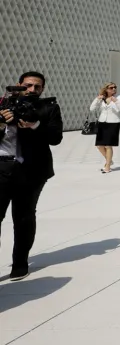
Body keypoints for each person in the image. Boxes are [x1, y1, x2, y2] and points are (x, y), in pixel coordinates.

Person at [0, 71, 62, 281]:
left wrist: (34, 125)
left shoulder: (48, 107)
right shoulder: (3, 105)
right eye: (28, 85)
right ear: (19, 85)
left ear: (42, 88)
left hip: (32, 171)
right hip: (2, 168)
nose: (32, 90)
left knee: (24, 217)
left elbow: (55, 137)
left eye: (37, 87)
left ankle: (20, 263)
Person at [90, 82, 120, 174]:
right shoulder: (102, 98)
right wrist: (97, 99)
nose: (113, 89)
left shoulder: (119, 98)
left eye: (115, 87)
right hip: (102, 123)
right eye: (111, 87)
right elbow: (92, 109)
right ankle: (109, 160)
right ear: (106, 89)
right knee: (99, 146)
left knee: (108, 145)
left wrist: (116, 101)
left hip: (113, 123)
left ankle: (108, 166)